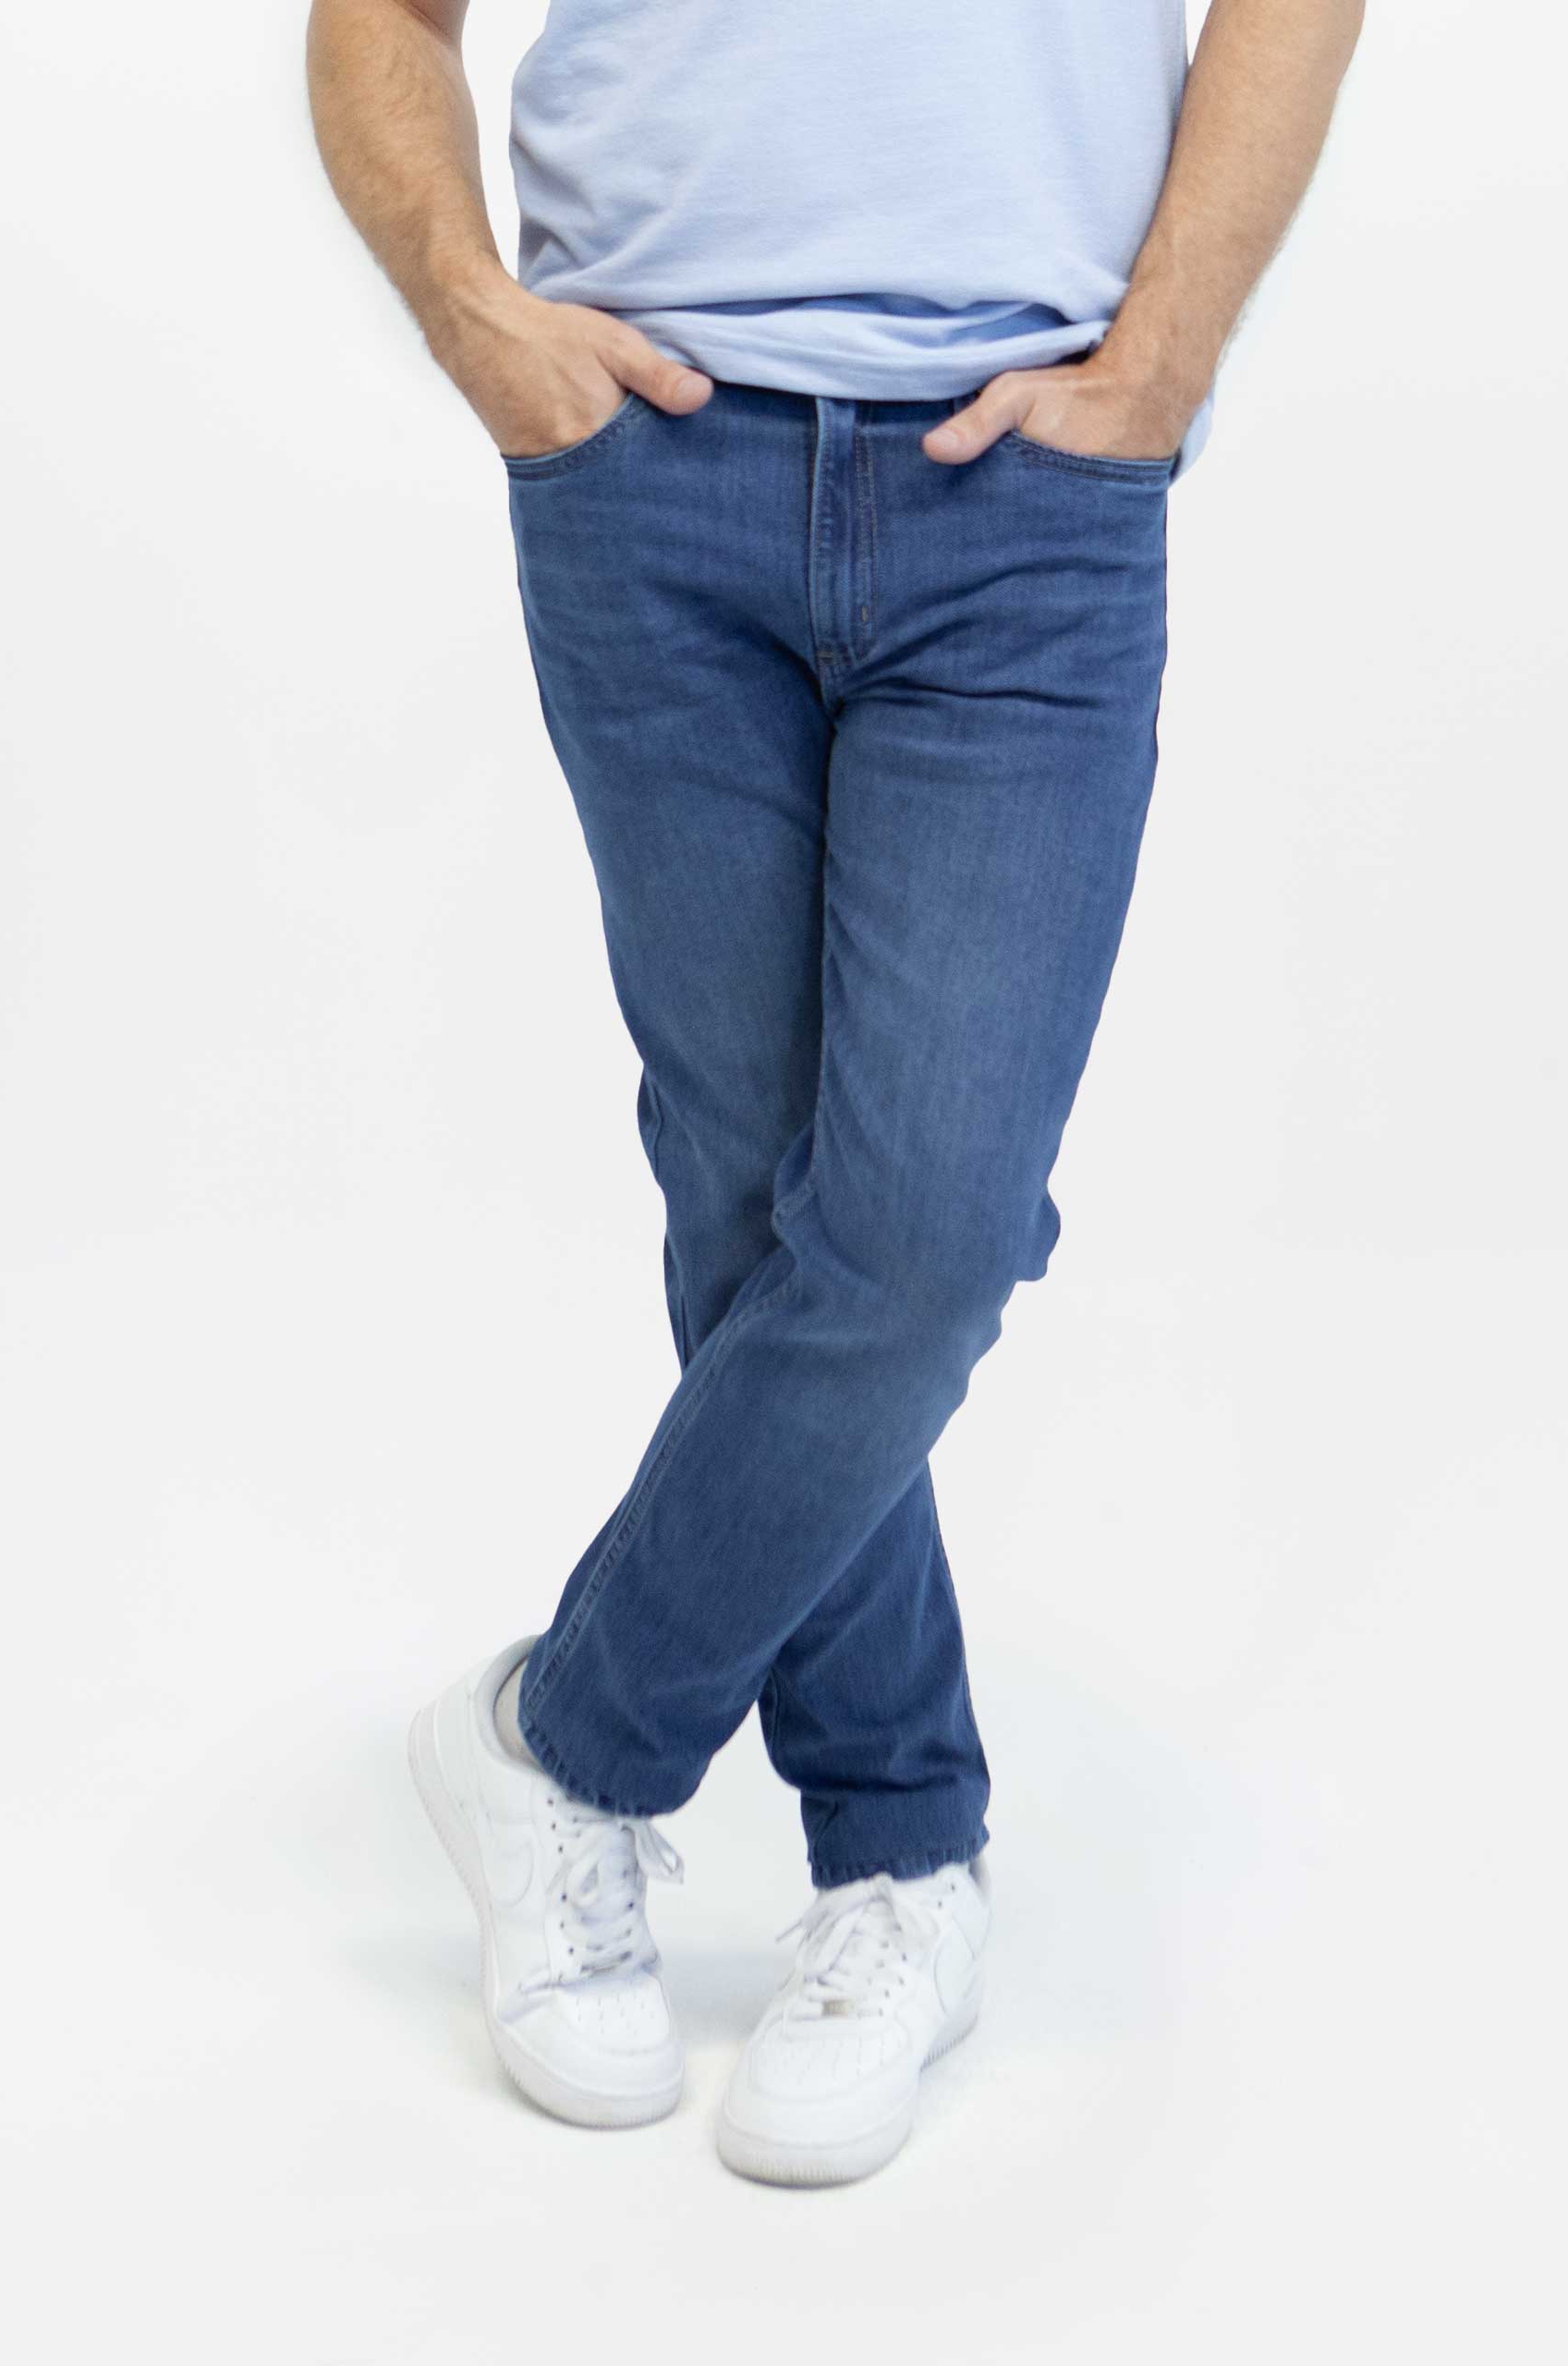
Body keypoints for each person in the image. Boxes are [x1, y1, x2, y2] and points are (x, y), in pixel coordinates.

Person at [307, 0, 1364, 2185]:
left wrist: (1162, 359)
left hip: (1026, 480)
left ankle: (560, 1743)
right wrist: (474, 320)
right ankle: (897, 1854)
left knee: (925, 1223)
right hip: (646, 462)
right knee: (749, 1196)